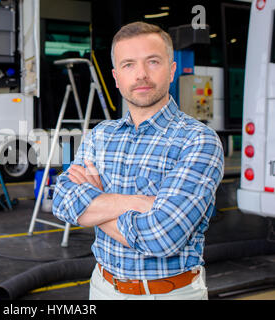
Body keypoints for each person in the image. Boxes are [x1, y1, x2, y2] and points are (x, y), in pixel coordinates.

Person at [52, 21, 224, 300]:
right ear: (116, 77)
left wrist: (96, 201)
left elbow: (163, 236)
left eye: (152, 62)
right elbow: (62, 200)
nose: (141, 74)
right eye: (129, 64)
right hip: (102, 288)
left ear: (171, 71)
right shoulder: (101, 135)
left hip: (169, 294)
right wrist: (142, 204)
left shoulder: (198, 140)